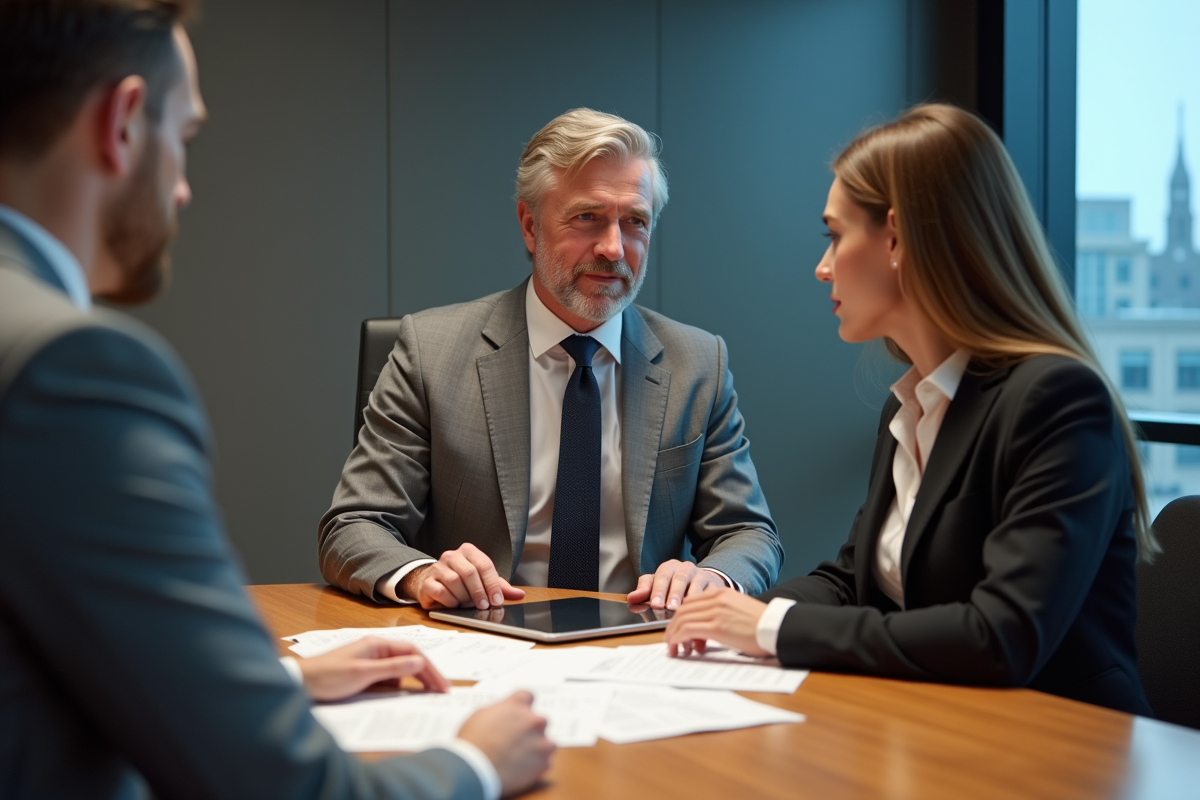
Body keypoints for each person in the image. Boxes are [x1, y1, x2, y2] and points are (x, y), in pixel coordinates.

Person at [0, 2, 553, 798]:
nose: (183, 189)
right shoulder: (73, 369)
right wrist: (476, 763)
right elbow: (285, 788)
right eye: (184, 138)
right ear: (122, 123)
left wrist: (277, 685)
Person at [663, 103, 1157, 716]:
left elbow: (1000, 637)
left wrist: (767, 628)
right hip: (942, 726)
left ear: (896, 238)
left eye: (834, 235)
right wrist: (725, 613)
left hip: (1067, 741)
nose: (822, 268)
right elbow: (852, 583)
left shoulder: (1057, 399)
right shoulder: (913, 405)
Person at [319, 108, 782, 612]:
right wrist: (422, 576)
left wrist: (711, 577)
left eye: (635, 222)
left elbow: (748, 533)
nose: (614, 248)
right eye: (587, 217)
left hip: (639, 640)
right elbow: (355, 525)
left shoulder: (698, 364)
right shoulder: (430, 352)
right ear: (530, 226)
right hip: (482, 635)